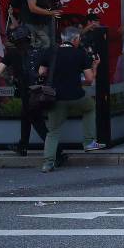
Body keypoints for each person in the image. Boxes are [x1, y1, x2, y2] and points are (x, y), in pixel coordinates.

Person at [37, 27, 103, 173]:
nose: (79, 41)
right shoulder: (80, 53)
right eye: (79, 39)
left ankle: (48, 163)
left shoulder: (50, 52)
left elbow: (41, 72)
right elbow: (89, 79)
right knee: (90, 107)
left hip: (55, 97)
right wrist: (95, 66)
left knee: (53, 131)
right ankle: (89, 142)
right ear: (75, 39)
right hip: (76, 96)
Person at [0, 25, 52, 158]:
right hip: (37, 91)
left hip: (25, 92)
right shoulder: (37, 52)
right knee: (26, 117)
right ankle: (22, 146)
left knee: (38, 123)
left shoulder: (12, 53)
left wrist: (11, 77)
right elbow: (42, 71)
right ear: (29, 37)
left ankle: (56, 151)